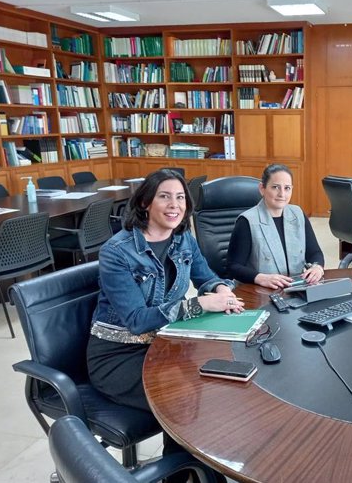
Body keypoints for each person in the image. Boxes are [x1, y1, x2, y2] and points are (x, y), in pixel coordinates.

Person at [87, 169, 240, 483]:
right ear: (145, 202)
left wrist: (220, 289)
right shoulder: (117, 252)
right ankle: (190, 476)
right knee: (188, 403)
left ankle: (185, 474)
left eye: (181, 197)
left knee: (213, 391)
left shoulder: (183, 238)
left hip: (165, 347)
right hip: (118, 355)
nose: (175, 205)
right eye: (165, 196)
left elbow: (206, 277)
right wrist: (198, 304)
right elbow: (136, 320)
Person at [227, 163, 325, 289]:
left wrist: (317, 267)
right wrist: (261, 278)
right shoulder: (247, 221)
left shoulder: (298, 214)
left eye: (287, 188)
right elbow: (233, 266)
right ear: (262, 188)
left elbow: (314, 252)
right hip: (261, 291)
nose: (282, 194)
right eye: (275, 187)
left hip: (297, 287)